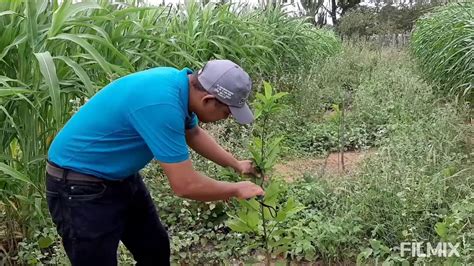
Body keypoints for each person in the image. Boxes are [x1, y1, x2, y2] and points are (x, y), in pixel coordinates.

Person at [45, 59, 265, 265]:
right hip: (79, 185)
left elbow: (194, 134)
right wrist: (236, 189)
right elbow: (185, 185)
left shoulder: (180, 87)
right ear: (207, 100)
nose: (227, 118)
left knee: (154, 250)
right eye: (227, 112)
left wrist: (236, 164)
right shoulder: (162, 104)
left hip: (120, 177)